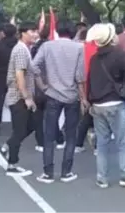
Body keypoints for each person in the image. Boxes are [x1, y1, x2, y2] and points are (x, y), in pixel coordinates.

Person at [87, 23, 125, 188]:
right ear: (111, 38)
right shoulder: (120, 54)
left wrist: (89, 101)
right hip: (115, 102)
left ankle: (102, 178)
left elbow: (90, 81)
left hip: (97, 104)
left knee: (102, 143)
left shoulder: (94, 58)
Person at [33, 20, 88, 184]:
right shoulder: (79, 48)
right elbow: (80, 76)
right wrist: (83, 97)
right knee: (71, 136)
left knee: (49, 135)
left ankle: (48, 172)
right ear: (73, 32)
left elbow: (34, 66)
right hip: (72, 96)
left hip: (52, 94)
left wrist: (43, 86)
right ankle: (66, 172)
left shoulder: (47, 46)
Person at [0, 22, 39, 177]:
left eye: (36, 31)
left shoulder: (24, 49)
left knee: (30, 126)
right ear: (23, 33)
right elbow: (19, 75)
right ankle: (12, 164)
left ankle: (5, 148)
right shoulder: (21, 50)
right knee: (20, 130)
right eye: (32, 31)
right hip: (18, 97)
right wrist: (26, 97)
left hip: (21, 96)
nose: (35, 34)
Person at [32, 26, 65, 153]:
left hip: (38, 85)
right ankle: (59, 139)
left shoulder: (34, 49)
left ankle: (41, 143)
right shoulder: (55, 49)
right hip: (53, 85)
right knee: (53, 115)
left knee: (39, 116)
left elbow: (33, 67)